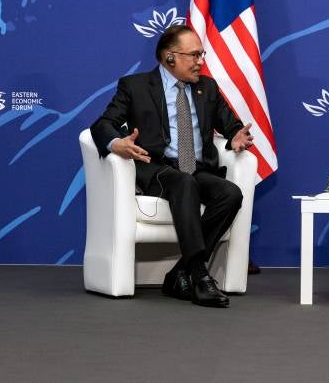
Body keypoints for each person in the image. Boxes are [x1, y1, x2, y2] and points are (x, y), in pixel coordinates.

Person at [90, 24, 254, 308]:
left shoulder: (207, 88)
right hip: (157, 168)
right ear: (169, 58)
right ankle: (200, 277)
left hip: (197, 168)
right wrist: (117, 144)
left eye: (201, 54)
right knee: (183, 182)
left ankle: (180, 272)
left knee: (230, 193)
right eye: (194, 55)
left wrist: (237, 137)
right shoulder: (135, 86)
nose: (200, 61)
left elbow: (231, 125)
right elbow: (103, 125)